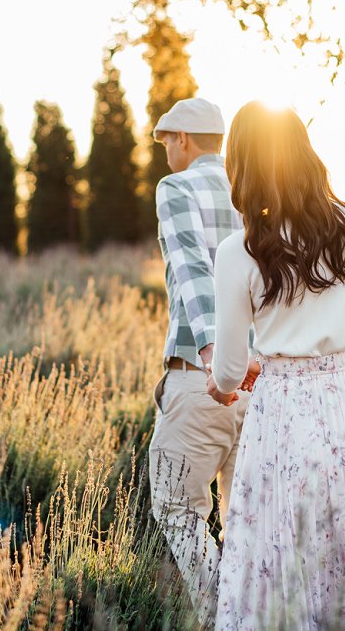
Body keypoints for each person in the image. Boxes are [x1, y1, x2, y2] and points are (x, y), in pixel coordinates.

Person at [207, 101, 345, 630]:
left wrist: (226, 381)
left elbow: (231, 371)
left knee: (292, 560)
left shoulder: (240, 252)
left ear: (241, 167)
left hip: (285, 416)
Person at [148, 97, 254, 628]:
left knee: (174, 507)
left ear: (184, 140)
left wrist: (214, 356)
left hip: (205, 379)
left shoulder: (176, 188)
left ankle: (222, 619)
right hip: (263, 383)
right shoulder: (248, 191)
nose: (165, 148)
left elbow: (190, 266)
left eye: (167, 138)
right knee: (245, 524)